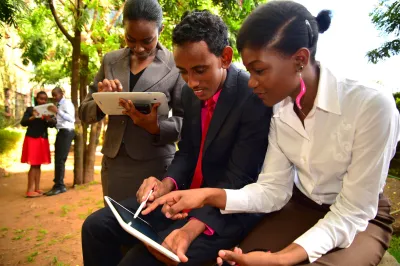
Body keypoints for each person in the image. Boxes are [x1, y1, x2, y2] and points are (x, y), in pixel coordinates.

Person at [143, 2, 400, 266]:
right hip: (300, 205)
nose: (251, 82)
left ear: (299, 59)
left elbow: (353, 210)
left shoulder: (370, 106)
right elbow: (273, 189)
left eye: (259, 70)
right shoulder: (279, 108)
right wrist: (207, 195)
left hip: (359, 218)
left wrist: (283, 258)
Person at [81, 10, 272, 266]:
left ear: (225, 58)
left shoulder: (252, 97)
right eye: (183, 72)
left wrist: (190, 226)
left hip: (222, 212)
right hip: (181, 199)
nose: (191, 83)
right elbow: (187, 152)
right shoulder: (192, 95)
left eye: (200, 70)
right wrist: (167, 183)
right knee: (95, 227)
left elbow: (239, 179)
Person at [78, 0, 185, 202]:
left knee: (149, 227)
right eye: (130, 39)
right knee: (115, 225)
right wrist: (101, 102)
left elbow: (186, 121)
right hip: (115, 163)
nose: (138, 48)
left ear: (160, 30)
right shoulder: (110, 60)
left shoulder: (176, 64)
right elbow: (84, 111)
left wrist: (156, 127)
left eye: (147, 40)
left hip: (155, 164)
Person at [20, 91, 56, 198]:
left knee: (38, 165)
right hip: (32, 139)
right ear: (37, 99)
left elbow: (52, 125)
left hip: (42, 139)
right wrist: (33, 117)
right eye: (41, 99)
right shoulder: (30, 110)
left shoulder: (47, 111)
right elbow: (23, 122)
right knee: (33, 164)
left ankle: (37, 188)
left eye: (45, 99)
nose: (43, 101)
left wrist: (49, 119)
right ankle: (30, 190)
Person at [44, 87, 75, 196]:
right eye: (53, 95)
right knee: (58, 159)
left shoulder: (67, 103)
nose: (54, 97)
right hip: (61, 131)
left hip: (67, 132)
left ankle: (60, 186)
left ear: (61, 93)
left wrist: (57, 112)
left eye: (55, 95)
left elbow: (71, 119)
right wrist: (51, 119)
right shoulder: (58, 105)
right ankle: (57, 184)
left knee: (60, 159)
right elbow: (59, 121)